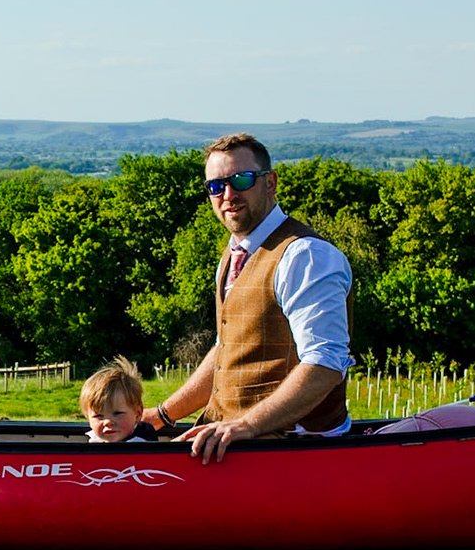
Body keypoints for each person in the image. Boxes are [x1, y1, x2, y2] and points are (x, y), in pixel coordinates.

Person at [150, 133, 353, 464]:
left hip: (293, 451)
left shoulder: (305, 255)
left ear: (270, 182)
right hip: (234, 443)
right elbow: (227, 349)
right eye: (216, 186)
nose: (228, 195)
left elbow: (326, 362)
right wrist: (162, 415)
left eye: (241, 180)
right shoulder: (233, 254)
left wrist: (246, 424)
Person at [80, 356, 158, 443]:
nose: (108, 422)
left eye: (117, 413)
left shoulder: (142, 446)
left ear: (138, 414)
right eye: (98, 416)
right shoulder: (93, 443)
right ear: (88, 418)